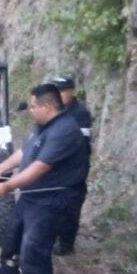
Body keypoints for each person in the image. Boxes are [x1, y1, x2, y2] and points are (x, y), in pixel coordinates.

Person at [0, 84, 87, 274]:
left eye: (32, 106)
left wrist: (8, 186)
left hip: (51, 201)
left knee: (34, 251)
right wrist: (0, 169)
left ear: (47, 106)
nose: (30, 110)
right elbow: (24, 152)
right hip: (31, 196)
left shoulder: (65, 131)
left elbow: (40, 167)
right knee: (13, 236)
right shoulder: (42, 126)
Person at [52, 77, 92, 255]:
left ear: (72, 92)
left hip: (74, 168)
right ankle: (53, 237)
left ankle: (66, 244)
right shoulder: (55, 111)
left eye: (62, 90)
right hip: (55, 167)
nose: (58, 94)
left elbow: (79, 143)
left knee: (71, 205)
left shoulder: (80, 113)